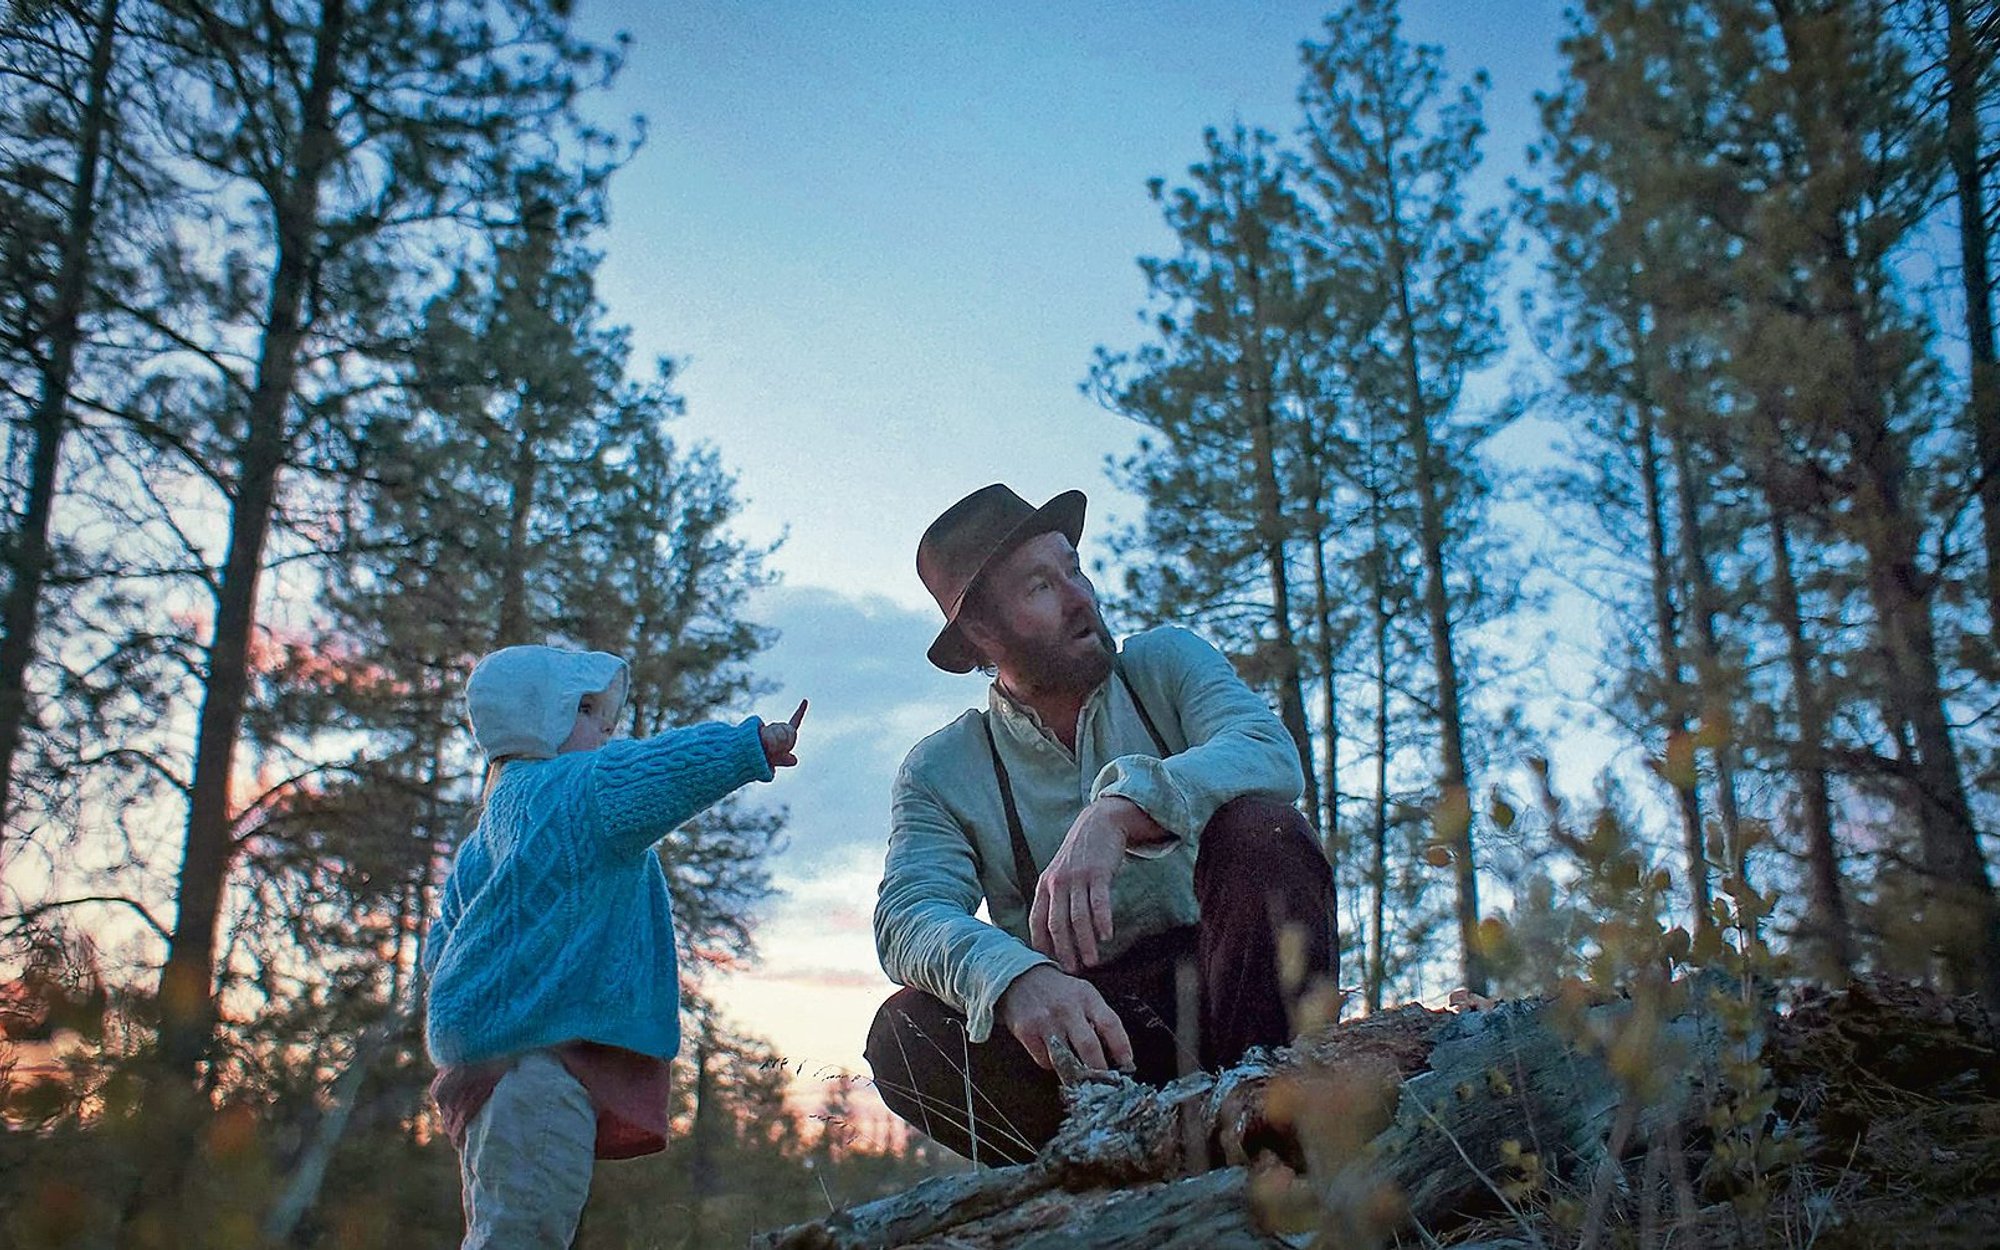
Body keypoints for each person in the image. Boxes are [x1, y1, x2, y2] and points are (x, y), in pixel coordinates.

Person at [867, 484, 1338, 1164]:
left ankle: (1277, 1143)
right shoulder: (942, 769)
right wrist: (1012, 977)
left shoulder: (1165, 664)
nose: (1082, 597)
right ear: (981, 633)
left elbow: (1267, 751)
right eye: (1040, 587)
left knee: (1264, 829)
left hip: (1235, 993)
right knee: (904, 1033)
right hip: (1084, 1043)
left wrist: (1120, 810)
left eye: (1074, 569)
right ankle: (1104, 1176)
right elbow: (907, 916)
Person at [423, 644, 807, 1248]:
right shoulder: (582, 790)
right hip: (540, 1066)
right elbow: (662, 768)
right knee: (527, 1235)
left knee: (501, 1226)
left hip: (484, 1068)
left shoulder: (494, 821)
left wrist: (473, 1001)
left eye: (604, 711)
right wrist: (749, 746)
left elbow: (442, 941)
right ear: (537, 719)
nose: (604, 724)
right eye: (583, 708)